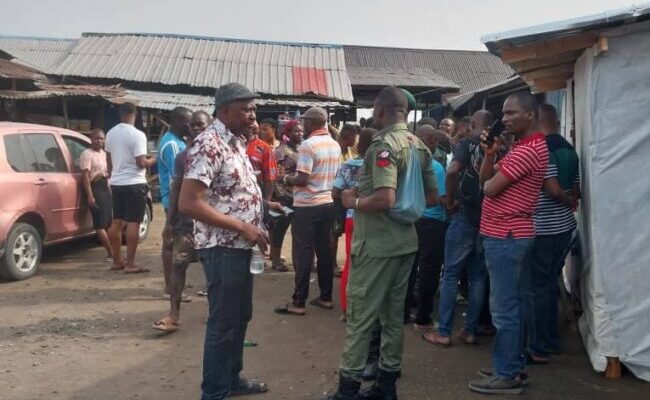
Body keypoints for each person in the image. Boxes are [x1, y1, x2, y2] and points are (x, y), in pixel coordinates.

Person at [324, 87, 438, 400]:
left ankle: (347, 391)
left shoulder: (383, 146)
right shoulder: (419, 146)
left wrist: (354, 201)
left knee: (361, 317)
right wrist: (404, 207)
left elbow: (385, 198)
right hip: (406, 244)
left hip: (376, 247)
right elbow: (430, 197)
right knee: (392, 318)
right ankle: (386, 388)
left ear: (379, 110)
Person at [179, 83, 285, 400]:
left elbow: (228, 193)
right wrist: (242, 225)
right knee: (223, 323)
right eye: (246, 109)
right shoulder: (209, 144)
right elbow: (190, 202)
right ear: (224, 110)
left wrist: (263, 207)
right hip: (222, 247)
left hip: (240, 247)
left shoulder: (236, 143)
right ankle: (214, 392)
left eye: (254, 109)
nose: (252, 115)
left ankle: (232, 379)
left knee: (240, 317)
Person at [468, 91, 549, 395]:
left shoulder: (528, 150)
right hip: (509, 235)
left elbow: (488, 189)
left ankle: (507, 373)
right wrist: (490, 154)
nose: (504, 120)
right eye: (503, 114)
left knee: (504, 310)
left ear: (530, 115)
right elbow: (483, 180)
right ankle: (512, 364)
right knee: (514, 304)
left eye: (511, 113)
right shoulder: (522, 148)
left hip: (507, 236)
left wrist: (492, 171)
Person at [423, 110, 494, 347]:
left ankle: (443, 331)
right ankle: (469, 330)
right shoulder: (501, 147)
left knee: (451, 273)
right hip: (487, 218)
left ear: (472, 124)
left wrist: (451, 200)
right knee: (478, 277)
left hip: (465, 214)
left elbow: (452, 171)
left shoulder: (466, 144)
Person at [274, 107, 341, 316]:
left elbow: (302, 179)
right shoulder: (334, 145)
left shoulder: (308, 145)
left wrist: (285, 178)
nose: (301, 125)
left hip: (307, 206)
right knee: (324, 251)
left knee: (302, 252)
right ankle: (326, 297)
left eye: (303, 121)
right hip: (327, 203)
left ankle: (299, 301)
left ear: (312, 123)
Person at [526, 104, 580, 361]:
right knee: (548, 285)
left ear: (536, 120)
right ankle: (551, 339)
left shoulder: (542, 148)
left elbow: (553, 189)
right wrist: (570, 202)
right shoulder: (570, 149)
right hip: (565, 226)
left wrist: (562, 198)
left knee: (538, 287)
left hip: (544, 227)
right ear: (556, 121)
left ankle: (540, 343)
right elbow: (576, 190)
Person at [152, 111, 211, 333]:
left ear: (210, 127)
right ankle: (173, 315)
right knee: (178, 265)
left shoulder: (220, 154)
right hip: (186, 222)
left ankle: (213, 311)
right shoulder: (182, 157)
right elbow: (176, 188)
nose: (196, 129)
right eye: (193, 125)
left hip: (211, 222)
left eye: (201, 125)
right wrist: (169, 222)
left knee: (212, 268)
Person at [105, 102, 155, 273]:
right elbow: (141, 163)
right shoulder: (138, 135)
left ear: (121, 114)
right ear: (136, 114)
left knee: (116, 221)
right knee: (134, 221)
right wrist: (152, 160)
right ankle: (131, 263)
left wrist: (112, 177)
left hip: (117, 182)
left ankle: (117, 260)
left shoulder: (110, 134)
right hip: (134, 183)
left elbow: (109, 160)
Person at [332, 127, 376, 319]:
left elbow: (335, 192)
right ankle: (368, 309)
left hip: (352, 217)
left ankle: (345, 309)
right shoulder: (380, 164)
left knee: (350, 264)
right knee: (373, 266)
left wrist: (348, 199)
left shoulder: (348, 165)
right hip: (375, 219)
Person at [410, 127, 448, 332]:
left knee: (409, 266)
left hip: (411, 220)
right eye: (431, 139)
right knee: (429, 270)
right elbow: (440, 199)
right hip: (432, 223)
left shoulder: (407, 163)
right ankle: (423, 317)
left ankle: (405, 310)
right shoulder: (436, 167)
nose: (434, 143)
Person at [158, 107, 193, 301]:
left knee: (173, 242)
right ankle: (171, 288)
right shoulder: (172, 145)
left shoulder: (178, 142)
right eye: (189, 122)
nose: (191, 126)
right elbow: (176, 181)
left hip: (176, 200)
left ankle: (172, 285)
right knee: (172, 243)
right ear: (179, 122)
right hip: (174, 201)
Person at [269, 120, 303, 271]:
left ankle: (298, 260)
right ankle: (275, 260)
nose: (300, 133)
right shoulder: (281, 152)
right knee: (279, 229)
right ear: (287, 133)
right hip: (283, 197)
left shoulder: (302, 149)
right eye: (296, 131)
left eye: (301, 131)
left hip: (299, 197)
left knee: (298, 230)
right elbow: (276, 174)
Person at [80, 128, 113, 260]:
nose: (99, 141)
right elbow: (85, 177)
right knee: (99, 223)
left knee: (108, 221)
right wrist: (90, 195)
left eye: (101, 138)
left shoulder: (104, 154)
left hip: (105, 187)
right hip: (95, 187)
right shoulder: (87, 154)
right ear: (91, 139)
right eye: (96, 138)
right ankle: (110, 252)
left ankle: (113, 250)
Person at [333, 124, 360, 276]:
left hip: (347, 199)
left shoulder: (350, 151)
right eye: (354, 137)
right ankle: (332, 264)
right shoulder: (336, 150)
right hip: (336, 198)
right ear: (348, 136)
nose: (356, 140)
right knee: (334, 233)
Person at [246, 120, 278, 200]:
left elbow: (269, 178)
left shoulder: (264, 147)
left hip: (256, 195)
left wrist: (267, 202)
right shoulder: (231, 143)